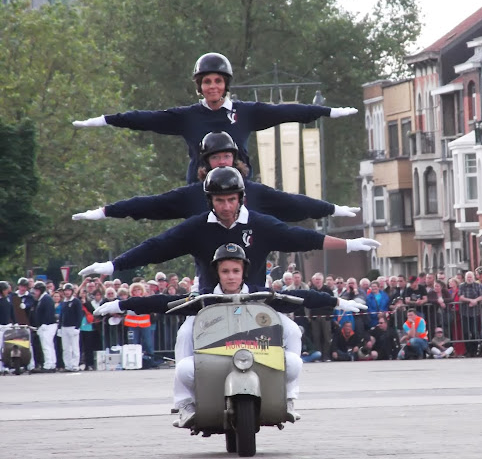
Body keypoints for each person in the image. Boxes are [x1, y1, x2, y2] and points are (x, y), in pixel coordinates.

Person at [94, 243, 365, 427]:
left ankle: (289, 396)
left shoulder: (261, 293)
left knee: (292, 336)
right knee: (184, 337)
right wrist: (121, 304)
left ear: (244, 271)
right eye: (225, 271)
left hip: (256, 353)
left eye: (236, 271)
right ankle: (185, 403)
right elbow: (163, 302)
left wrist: (336, 302)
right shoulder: (206, 297)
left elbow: (298, 297)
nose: (231, 276)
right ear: (217, 273)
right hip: (216, 355)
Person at [78, 167, 379, 295]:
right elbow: (156, 246)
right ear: (210, 200)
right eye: (219, 200)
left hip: (256, 301)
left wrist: (349, 245)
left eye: (230, 199)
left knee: (291, 345)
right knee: (184, 346)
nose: (225, 206)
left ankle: (286, 398)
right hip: (208, 303)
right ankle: (187, 404)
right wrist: (111, 265)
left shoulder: (261, 224)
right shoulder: (196, 228)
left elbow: (304, 238)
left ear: (240, 198)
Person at [72, 52, 358, 183]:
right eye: (207, 81)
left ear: (226, 85)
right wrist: (105, 120)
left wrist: (328, 111)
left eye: (218, 81)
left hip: (241, 183)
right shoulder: (187, 117)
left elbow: (289, 112)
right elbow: (144, 119)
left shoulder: (245, 112)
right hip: (199, 186)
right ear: (200, 86)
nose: (212, 87)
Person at [72, 131, 359, 224]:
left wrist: (333, 209)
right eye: (215, 158)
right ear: (205, 163)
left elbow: (295, 203)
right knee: (187, 343)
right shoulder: (191, 195)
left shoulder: (256, 191)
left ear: (236, 159)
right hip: (209, 277)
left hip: (251, 276)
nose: (222, 161)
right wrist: (106, 211)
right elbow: (149, 205)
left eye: (227, 156)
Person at [30, 282, 57, 373]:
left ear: (41, 290)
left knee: (46, 346)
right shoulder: (42, 299)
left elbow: (48, 313)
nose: (35, 292)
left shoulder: (46, 299)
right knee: (49, 345)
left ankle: (48, 364)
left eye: (37, 290)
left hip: (47, 326)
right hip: (46, 326)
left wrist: (43, 324)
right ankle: (52, 363)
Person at [59, 283, 82, 372]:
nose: (67, 292)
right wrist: (59, 327)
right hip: (64, 327)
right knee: (66, 348)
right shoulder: (64, 302)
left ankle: (75, 365)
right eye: (65, 291)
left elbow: (79, 315)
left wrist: (77, 327)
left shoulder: (76, 301)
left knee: (75, 347)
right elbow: (61, 315)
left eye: (69, 290)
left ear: (72, 291)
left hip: (73, 327)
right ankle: (67, 365)